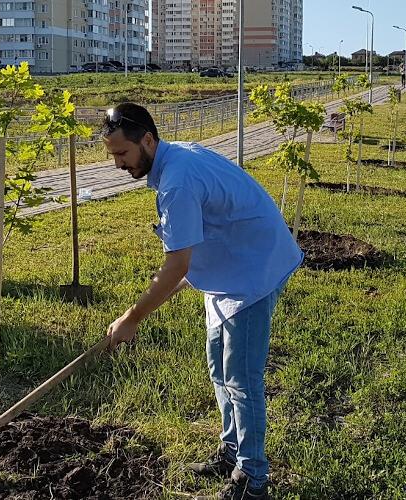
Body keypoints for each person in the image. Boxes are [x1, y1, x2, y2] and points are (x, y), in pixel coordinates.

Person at [101, 103, 303, 500]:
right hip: (229, 269)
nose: (118, 165)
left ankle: (253, 480)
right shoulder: (174, 158)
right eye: (112, 156)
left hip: (253, 270)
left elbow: (177, 264)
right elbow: (186, 259)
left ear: (147, 139)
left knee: (242, 379)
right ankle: (231, 453)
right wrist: (151, 302)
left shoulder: (177, 181)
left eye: (122, 154)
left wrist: (133, 317)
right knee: (219, 367)